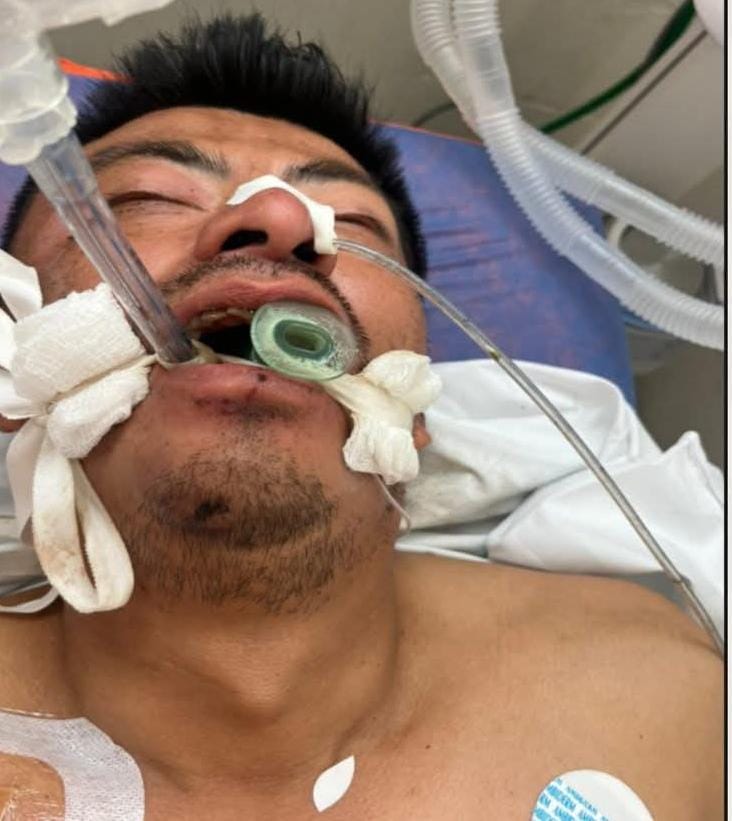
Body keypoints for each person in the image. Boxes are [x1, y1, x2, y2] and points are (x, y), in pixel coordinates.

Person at [0, 13, 722, 820]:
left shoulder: (665, 695)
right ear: (13, 367)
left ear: (416, 417)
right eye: (150, 198)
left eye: (351, 223)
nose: (280, 223)